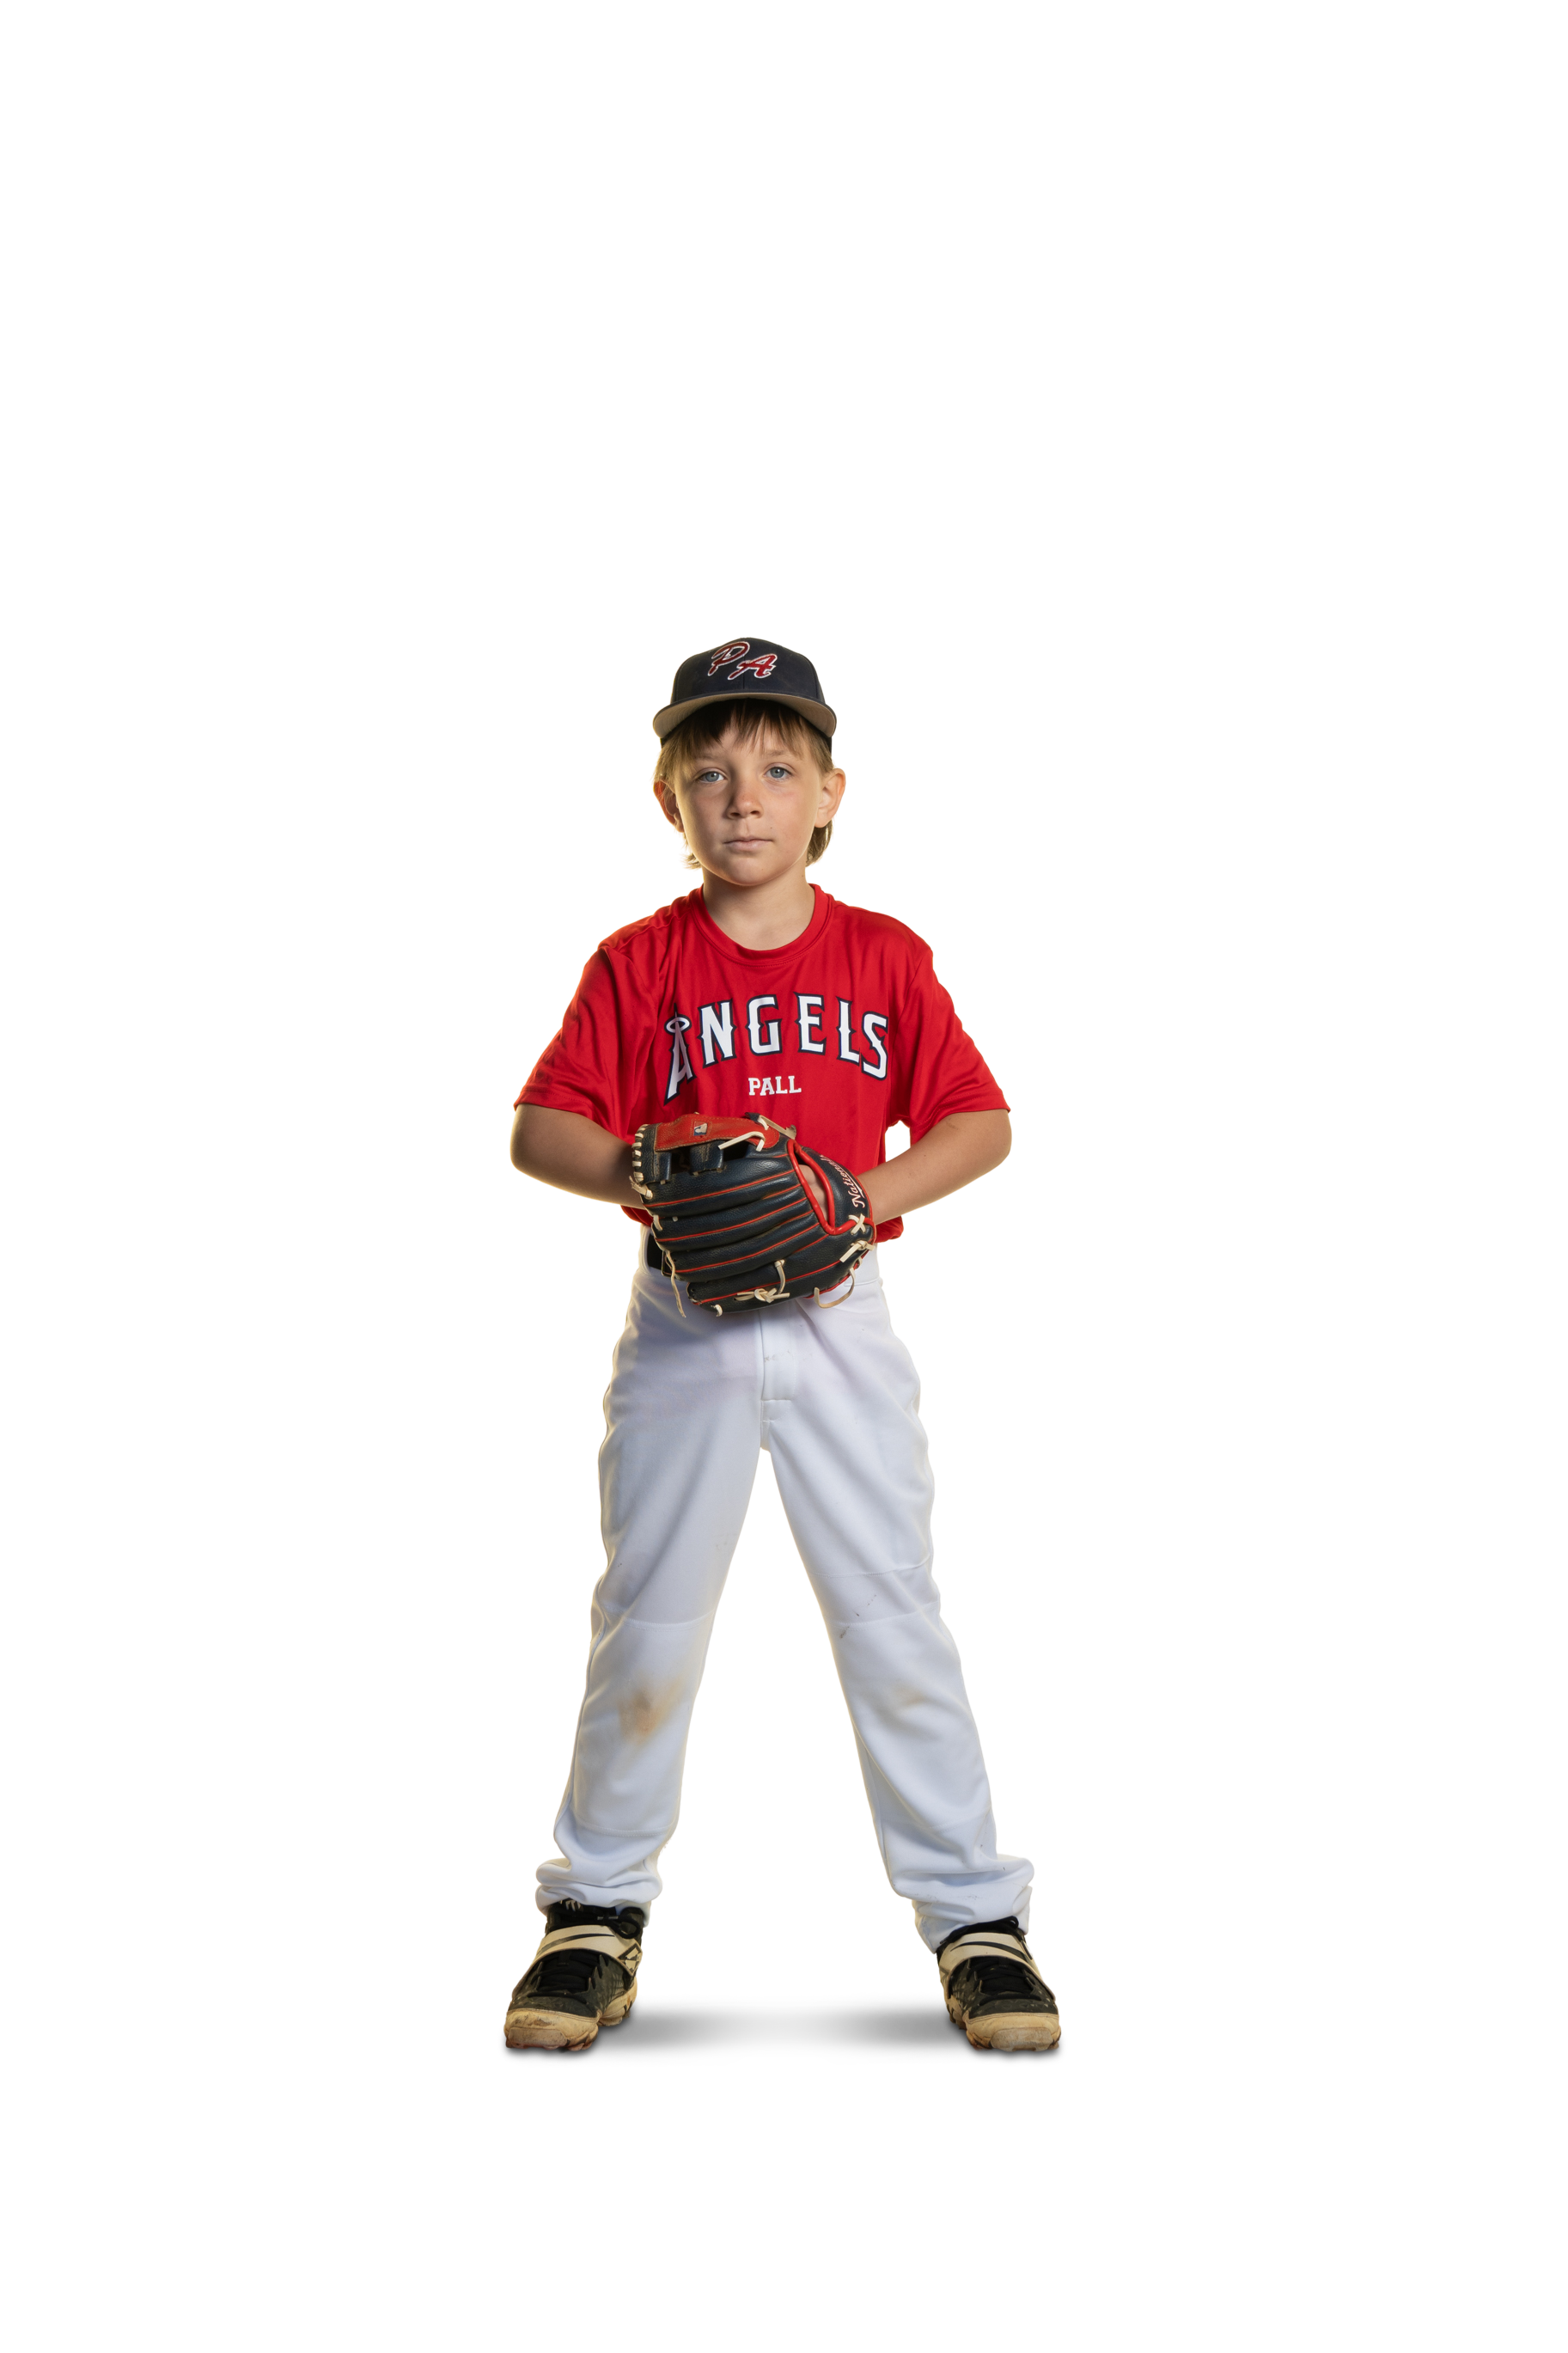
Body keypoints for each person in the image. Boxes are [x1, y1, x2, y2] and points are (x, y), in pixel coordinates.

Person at [503, 639, 1059, 2056]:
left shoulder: (885, 955)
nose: (742, 793)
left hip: (839, 1312)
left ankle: (975, 1913)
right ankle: (596, 1904)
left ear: (828, 798)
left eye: (775, 766)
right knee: (648, 1616)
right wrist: (645, 1169)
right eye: (709, 770)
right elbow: (539, 1131)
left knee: (892, 1611)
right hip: (684, 1317)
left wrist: (858, 1198)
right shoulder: (636, 959)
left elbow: (983, 1122)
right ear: (668, 802)